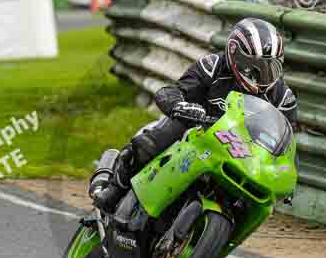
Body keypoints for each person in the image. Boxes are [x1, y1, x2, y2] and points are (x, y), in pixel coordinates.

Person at [92, 18, 298, 213]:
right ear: (235, 55)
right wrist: (180, 106)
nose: (263, 76)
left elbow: (286, 143)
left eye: (270, 67)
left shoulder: (283, 97)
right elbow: (175, 90)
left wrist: (287, 177)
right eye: (255, 67)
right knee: (151, 142)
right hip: (196, 130)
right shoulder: (214, 66)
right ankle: (114, 190)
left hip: (241, 152)